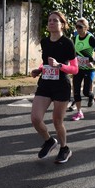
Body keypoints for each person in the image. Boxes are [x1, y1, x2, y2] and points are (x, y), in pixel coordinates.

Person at [30, 11, 79, 163]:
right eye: (50, 20)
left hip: (61, 86)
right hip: (45, 83)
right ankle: (49, 141)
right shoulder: (44, 41)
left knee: (57, 121)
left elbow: (75, 69)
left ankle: (65, 148)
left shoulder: (68, 43)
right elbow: (45, 63)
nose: (51, 23)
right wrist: (39, 69)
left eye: (55, 21)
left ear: (62, 24)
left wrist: (60, 65)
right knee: (35, 118)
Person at [71, 17, 95, 121]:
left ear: (86, 27)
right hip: (78, 68)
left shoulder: (90, 38)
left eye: (80, 27)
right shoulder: (75, 38)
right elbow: (74, 52)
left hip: (89, 69)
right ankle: (79, 112)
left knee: (86, 92)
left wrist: (93, 62)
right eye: (76, 27)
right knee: (76, 90)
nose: (78, 29)